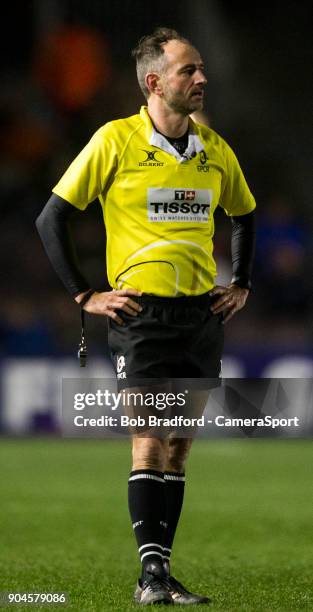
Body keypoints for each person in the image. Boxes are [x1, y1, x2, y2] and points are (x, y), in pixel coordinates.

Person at [36, 27, 256, 606]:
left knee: (179, 444)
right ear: (155, 81)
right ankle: (150, 576)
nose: (202, 78)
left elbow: (245, 214)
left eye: (201, 68)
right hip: (141, 314)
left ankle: (162, 572)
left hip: (202, 313)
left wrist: (243, 283)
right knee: (149, 438)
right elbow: (50, 218)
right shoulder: (115, 140)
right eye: (189, 70)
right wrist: (85, 295)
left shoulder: (214, 150)